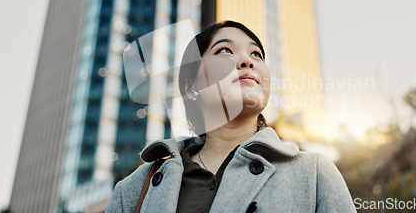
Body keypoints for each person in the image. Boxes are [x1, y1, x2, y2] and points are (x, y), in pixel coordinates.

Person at [106, 20, 356, 212]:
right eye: (225, 50)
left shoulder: (313, 174)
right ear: (191, 86)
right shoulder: (134, 189)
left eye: (256, 54)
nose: (248, 61)